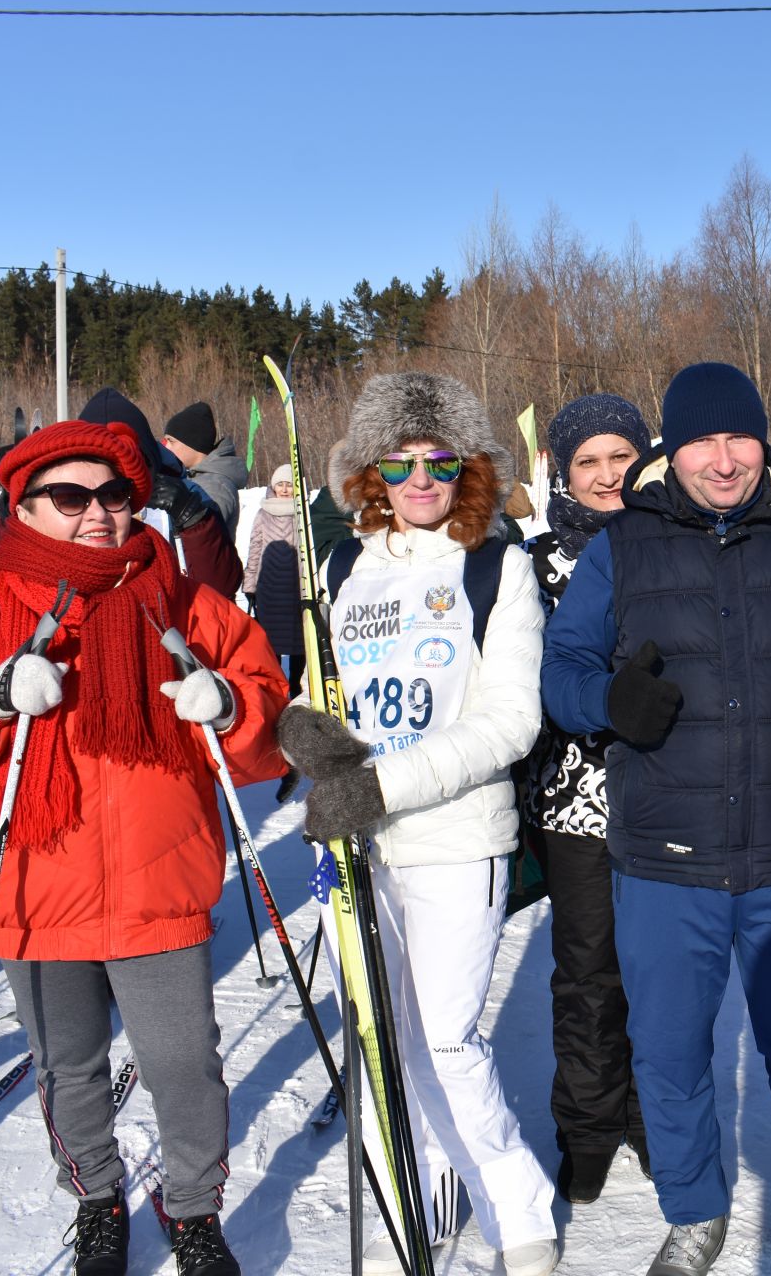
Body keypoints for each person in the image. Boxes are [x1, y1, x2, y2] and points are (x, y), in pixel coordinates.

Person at [0, 420, 287, 1276]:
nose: (98, 512)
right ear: (23, 508)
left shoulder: (186, 608)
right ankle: (96, 1196)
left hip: (159, 888)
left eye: (115, 493)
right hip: (31, 895)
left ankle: (193, 1209)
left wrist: (232, 706)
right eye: (70, 496)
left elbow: (268, 715)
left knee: (185, 1070)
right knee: (69, 1073)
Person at [541, 361, 771, 1276]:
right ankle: (695, 1209)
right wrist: (609, 703)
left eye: (739, 436)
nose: (724, 458)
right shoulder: (621, 547)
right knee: (669, 1057)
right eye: (702, 440)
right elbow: (561, 672)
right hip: (665, 858)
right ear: (673, 451)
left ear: (764, 441)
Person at [273, 371, 559, 1276]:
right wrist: (302, 732)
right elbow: (323, 696)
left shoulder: (494, 566)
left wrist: (382, 787)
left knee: (447, 1037)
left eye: (439, 460)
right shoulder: (344, 569)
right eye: (399, 462)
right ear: (370, 473)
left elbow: (509, 723)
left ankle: (519, 1211)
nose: (420, 479)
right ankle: (424, 1188)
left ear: (469, 469)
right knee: (384, 1034)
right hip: (363, 848)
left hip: (455, 838)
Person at [521, 393, 653, 1206]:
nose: (607, 476)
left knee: (662, 972)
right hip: (575, 804)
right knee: (588, 975)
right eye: (587, 463)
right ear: (563, 475)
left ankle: (649, 1110)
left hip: (670, 797)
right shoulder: (535, 562)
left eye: (620, 457)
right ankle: (588, 1123)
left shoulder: (672, 541)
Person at [78, 390, 242, 598]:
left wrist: (191, 518)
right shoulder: (69, 496)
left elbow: (220, 586)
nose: (114, 475)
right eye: (97, 461)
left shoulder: (185, 494)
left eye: (131, 460)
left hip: (169, 617)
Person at [241, 464, 304, 691]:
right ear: (273, 486)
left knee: (300, 644)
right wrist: (249, 586)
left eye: (289, 485)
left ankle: (297, 687)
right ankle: (275, 688)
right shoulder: (263, 513)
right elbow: (255, 548)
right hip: (269, 590)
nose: (285, 489)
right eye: (281, 484)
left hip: (295, 590)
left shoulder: (302, 512)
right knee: (271, 646)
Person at [162, 402, 246, 537]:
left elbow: (203, 537)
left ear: (193, 443)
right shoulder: (197, 478)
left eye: (171, 441)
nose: (167, 448)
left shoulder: (215, 487)